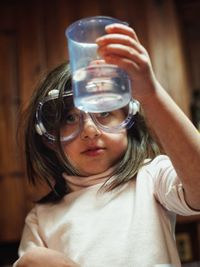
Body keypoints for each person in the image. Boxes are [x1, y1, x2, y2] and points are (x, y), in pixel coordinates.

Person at [13, 22, 200, 267]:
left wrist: (150, 93)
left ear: (127, 123)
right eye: (70, 118)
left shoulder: (150, 178)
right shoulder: (41, 218)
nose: (90, 131)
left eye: (104, 112)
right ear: (49, 139)